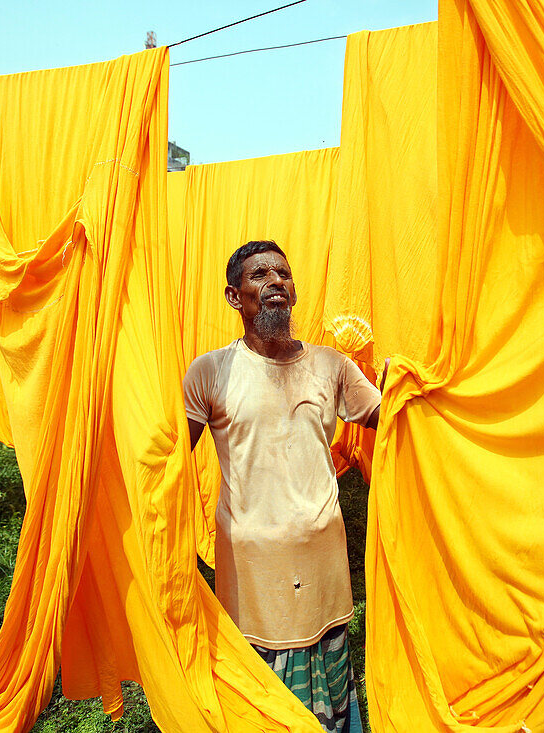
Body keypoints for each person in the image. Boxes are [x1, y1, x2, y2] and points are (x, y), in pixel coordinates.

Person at [183, 240, 382, 733]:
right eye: (260, 275)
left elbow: (393, 418)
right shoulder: (209, 372)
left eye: (283, 274)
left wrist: (417, 382)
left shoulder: (331, 366)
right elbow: (165, 458)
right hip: (252, 570)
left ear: (293, 291)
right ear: (234, 297)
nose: (275, 281)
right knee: (263, 701)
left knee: (331, 685)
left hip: (323, 562)